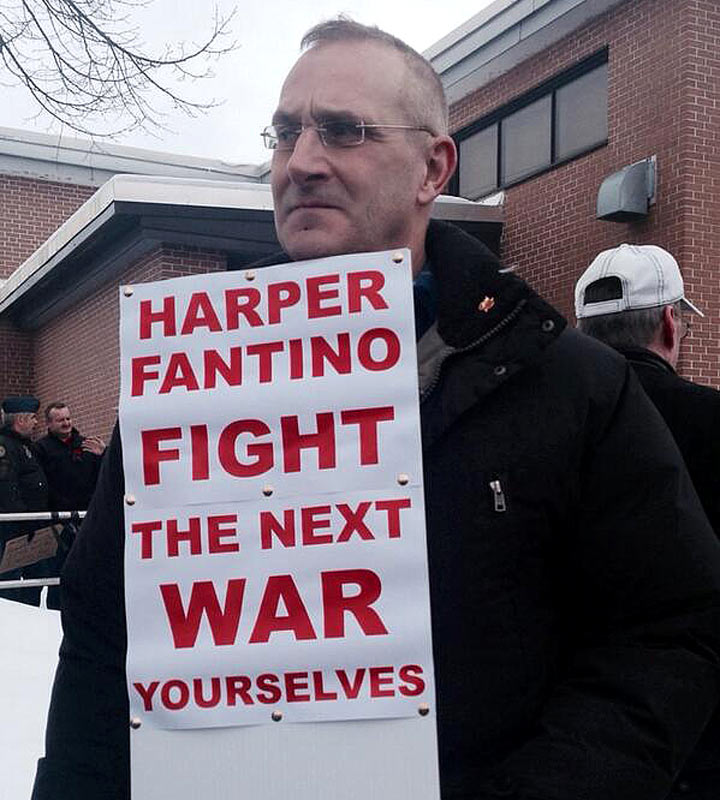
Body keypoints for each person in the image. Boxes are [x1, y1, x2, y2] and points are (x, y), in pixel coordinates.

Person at [33, 19, 720, 800]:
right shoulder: (183, 384)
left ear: (433, 167)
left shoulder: (566, 383)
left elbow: (667, 629)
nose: (301, 161)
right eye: (285, 133)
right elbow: (102, 638)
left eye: (343, 130)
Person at [575, 243, 720, 799]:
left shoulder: (540, 427)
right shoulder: (709, 419)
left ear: (582, 330)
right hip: (698, 735)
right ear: (669, 323)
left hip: (569, 736)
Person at [0, 395, 50, 606]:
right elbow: (7, 487)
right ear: (20, 420)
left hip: (29, 528)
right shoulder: (6, 447)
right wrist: (23, 520)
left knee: (34, 583)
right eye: (32, 418)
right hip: (14, 530)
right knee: (9, 586)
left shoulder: (24, 446)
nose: (36, 422)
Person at [34, 402, 105, 513]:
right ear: (48, 423)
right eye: (60, 420)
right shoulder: (40, 449)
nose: (66, 423)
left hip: (88, 511)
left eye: (68, 419)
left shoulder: (88, 444)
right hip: (58, 514)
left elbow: (104, 474)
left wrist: (104, 454)